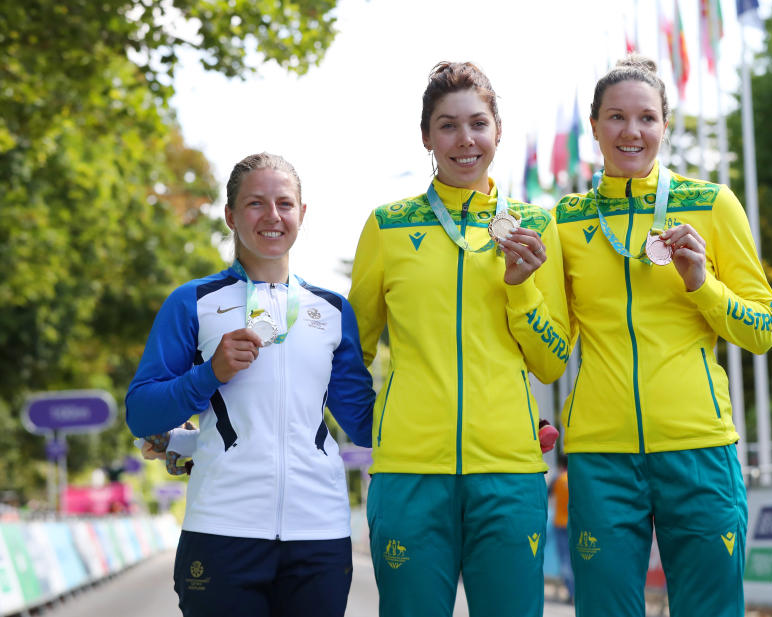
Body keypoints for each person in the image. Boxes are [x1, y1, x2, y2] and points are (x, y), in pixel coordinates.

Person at [553, 55, 772, 617]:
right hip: (601, 453)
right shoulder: (565, 220)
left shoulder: (711, 204)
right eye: (616, 117)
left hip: (698, 444)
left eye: (647, 118)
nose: (632, 131)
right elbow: (549, 346)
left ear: (665, 125)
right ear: (595, 125)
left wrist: (702, 284)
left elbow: (763, 329)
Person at [348, 61, 571, 617]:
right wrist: (376, 427)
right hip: (408, 475)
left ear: (498, 130)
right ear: (426, 136)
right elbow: (351, 350)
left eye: (477, 123)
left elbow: (551, 361)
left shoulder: (535, 228)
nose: (464, 140)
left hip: (509, 474)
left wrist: (521, 290)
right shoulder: (387, 226)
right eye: (447, 125)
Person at [125, 153, 375, 617]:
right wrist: (209, 373)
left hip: (318, 531)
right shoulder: (192, 302)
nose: (273, 216)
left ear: (303, 214)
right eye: (256, 203)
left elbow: (365, 424)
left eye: (285, 203)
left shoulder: (333, 310)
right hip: (222, 528)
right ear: (230, 216)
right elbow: (140, 413)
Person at [548, 454, 573, 603]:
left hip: (559, 523)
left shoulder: (557, 478)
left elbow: (547, 494)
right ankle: (576, 592)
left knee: (565, 560)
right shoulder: (577, 478)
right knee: (576, 560)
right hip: (574, 524)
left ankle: (572, 592)